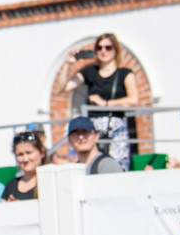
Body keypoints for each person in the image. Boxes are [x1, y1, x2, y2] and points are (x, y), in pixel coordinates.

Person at [56, 33, 140, 169]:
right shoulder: (90, 72)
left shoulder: (125, 74)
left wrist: (105, 104)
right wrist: (67, 63)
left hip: (116, 130)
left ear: (115, 50)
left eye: (108, 47)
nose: (103, 51)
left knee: (116, 168)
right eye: (99, 48)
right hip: (94, 131)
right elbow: (62, 88)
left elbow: (134, 100)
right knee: (92, 167)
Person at [2, 131, 47, 201]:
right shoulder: (11, 185)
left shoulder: (49, 182)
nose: (25, 159)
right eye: (20, 154)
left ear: (42, 152)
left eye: (29, 153)